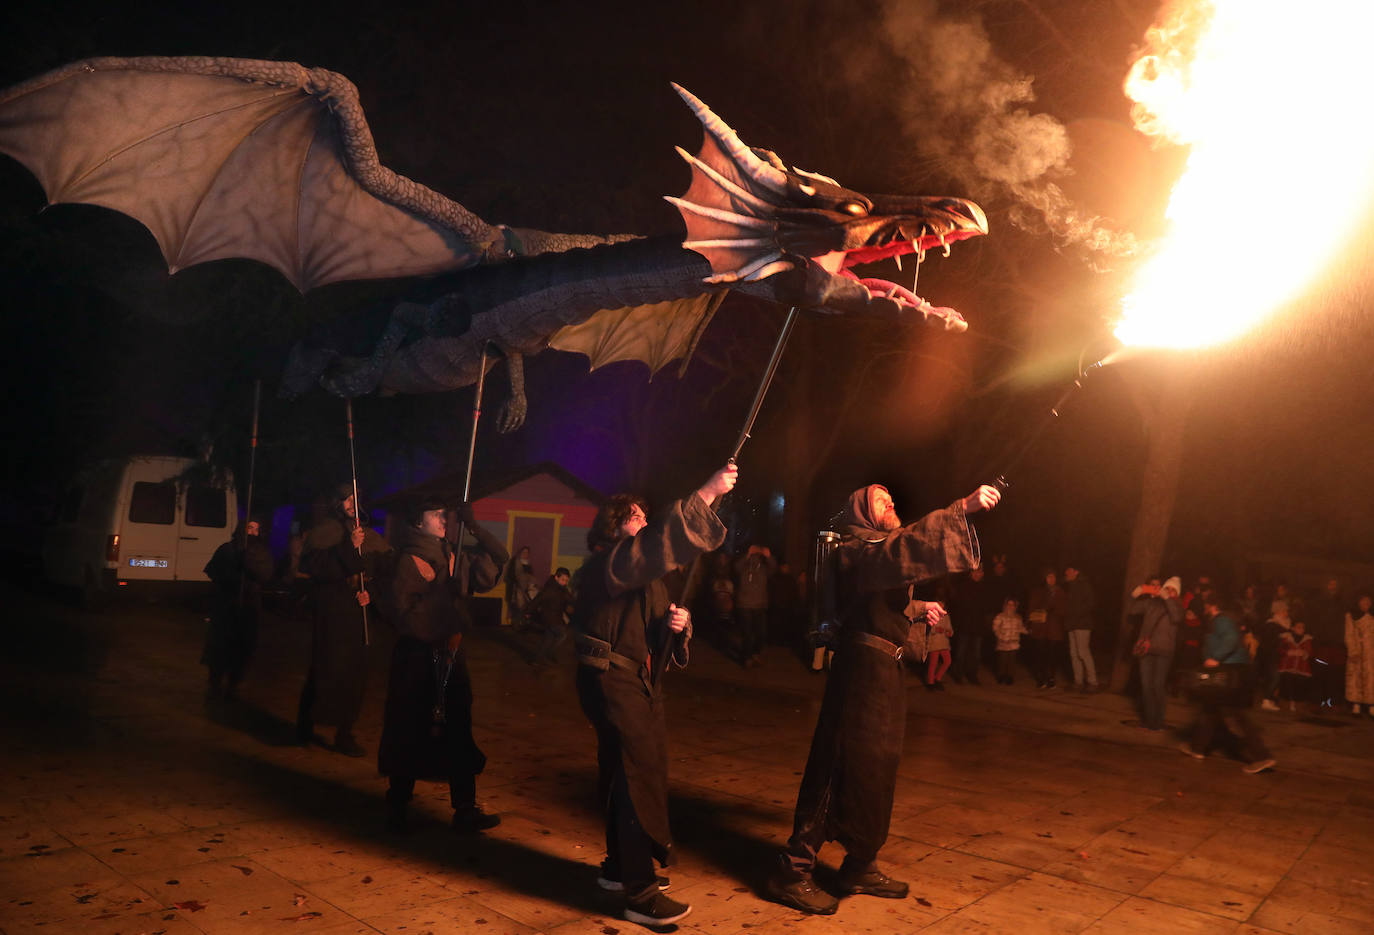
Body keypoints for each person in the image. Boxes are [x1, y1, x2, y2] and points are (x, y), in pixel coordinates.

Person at [766, 481, 1001, 916]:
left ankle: (859, 865)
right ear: (860, 510)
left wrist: (916, 607)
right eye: (879, 498)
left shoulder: (877, 549)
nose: (889, 500)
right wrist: (959, 509)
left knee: (877, 767)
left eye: (891, 496)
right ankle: (792, 869)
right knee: (841, 760)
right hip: (860, 670)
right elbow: (889, 557)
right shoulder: (856, 546)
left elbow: (878, 597)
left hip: (886, 670)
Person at [573, 463, 736, 928]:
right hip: (611, 682)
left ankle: (617, 868)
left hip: (637, 683)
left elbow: (657, 627)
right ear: (614, 523)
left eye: (646, 513)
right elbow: (651, 548)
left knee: (625, 772)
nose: (643, 518)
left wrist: (675, 628)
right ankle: (638, 893)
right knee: (634, 775)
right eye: (635, 514)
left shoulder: (645, 574)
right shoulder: (610, 562)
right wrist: (705, 492)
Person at [379, 498, 508, 833]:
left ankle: (465, 808)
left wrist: (476, 527)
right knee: (409, 728)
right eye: (435, 514)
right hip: (416, 658)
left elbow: (498, 562)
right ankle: (397, 806)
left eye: (445, 514)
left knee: (458, 727)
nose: (444, 519)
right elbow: (403, 616)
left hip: (450, 654)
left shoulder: (453, 554)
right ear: (418, 523)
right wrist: (441, 594)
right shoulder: (409, 559)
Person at [296, 485, 392, 757]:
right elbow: (313, 568)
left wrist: (370, 594)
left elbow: (385, 573)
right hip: (332, 612)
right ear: (337, 502)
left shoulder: (369, 535)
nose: (352, 502)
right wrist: (348, 547)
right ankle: (305, 726)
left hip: (357, 613)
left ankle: (344, 733)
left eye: (355, 498)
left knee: (355, 676)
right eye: (347, 498)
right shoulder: (326, 530)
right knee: (323, 669)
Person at [1179, 594, 1275, 773]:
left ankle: (1262, 756)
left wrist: (1215, 658)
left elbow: (1230, 639)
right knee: (1210, 710)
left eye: (1207, 606)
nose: (1205, 610)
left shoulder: (1221, 621)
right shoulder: (1220, 621)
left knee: (1233, 715)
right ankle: (1197, 748)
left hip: (1230, 672)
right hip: (1231, 671)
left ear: (1213, 606)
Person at [201, 517, 275, 702]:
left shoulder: (261, 552)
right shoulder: (227, 548)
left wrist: (249, 562)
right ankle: (215, 681)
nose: (252, 532)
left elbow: (266, 574)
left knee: (243, 646)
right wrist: (230, 576)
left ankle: (234, 682)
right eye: (249, 527)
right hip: (227, 603)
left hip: (249, 606)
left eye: (256, 529)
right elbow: (212, 570)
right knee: (220, 644)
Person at [1128, 576, 1183, 732]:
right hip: (1147, 649)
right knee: (1146, 686)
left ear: (1177, 593)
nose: (1170, 591)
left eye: (1173, 589)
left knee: (1158, 685)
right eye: (1168, 588)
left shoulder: (1178, 606)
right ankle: (1149, 721)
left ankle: (1158, 722)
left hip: (1164, 652)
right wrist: (1136, 593)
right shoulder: (1152, 603)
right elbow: (1132, 609)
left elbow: (1177, 617)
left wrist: (1167, 599)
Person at [1308, 577, 1348, 710]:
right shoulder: (1318, 602)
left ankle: (1332, 702)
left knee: (1334, 675)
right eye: (1330, 584)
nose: (1332, 587)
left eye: (1335, 584)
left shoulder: (1343, 603)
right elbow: (1314, 620)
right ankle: (1317, 701)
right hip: (1322, 644)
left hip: (1337, 645)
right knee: (1320, 673)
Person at [734, 543, 777, 667]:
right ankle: (746, 657)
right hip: (744, 605)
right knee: (747, 633)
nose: (755, 557)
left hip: (760, 605)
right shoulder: (743, 567)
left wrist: (768, 556)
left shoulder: (764, 569)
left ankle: (755, 654)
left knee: (761, 633)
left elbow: (773, 568)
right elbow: (736, 567)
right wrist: (747, 554)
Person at [1025, 569, 1066, 689]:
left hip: (1055, 629)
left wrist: (1056, 611)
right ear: (1044, 578)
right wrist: (1029, 623)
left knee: (1052, 655)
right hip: (1040, 627)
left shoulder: (1060, 592)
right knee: (1040, 654)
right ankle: (1040, 678)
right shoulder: (1038, 591)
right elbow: (1031, 607)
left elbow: (1064, 609)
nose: (1051, 579)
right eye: (1049, 577)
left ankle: (1051, 677)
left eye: (1053, 577)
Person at [1062, 565, 1098, 693]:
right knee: (1074, 654)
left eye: (1069, 570)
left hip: (1082, 624)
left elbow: (1091, 603)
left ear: (1076, 572)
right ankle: (1078, 682)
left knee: (1083, 652)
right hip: (1071, 624)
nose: (1066, 572)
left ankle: (1093, 682)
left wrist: (1076, 614)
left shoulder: (1084, 584)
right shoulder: (1069, 586)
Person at [530, 567, 574, 666]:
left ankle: (536, 659)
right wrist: (527, 612)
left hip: (556, 617)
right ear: (556, 578)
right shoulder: (549, 589)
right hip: (549, 617)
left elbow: (569, 599)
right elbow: (537, 600)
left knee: (548, 638)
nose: (565, 582)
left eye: (566, 580)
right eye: (563, 580)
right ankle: (549, 653)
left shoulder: (563, 589)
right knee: (562, 634)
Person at [1344, 592, 1374, 717]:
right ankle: (1356, 705)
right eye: (1363, 601)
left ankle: (1371, 705)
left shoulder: (1372, 617)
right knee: (1355, 678)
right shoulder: (1351, 616)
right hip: (1357, 651)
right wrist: (1353, 651)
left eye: (1368, 602)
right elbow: (1349, 634)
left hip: (1371, 653)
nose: (1365, 604)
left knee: (1371, 678)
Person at [1276, 620, 1313, 711]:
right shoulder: (1286, 638)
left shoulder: (1307, 639)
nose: (1301, 629)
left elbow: (1310, 652)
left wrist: (1304, 653)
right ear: (1293, 628)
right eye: (1298, 627)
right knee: (1287, 684)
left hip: (1301, 667)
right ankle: (1286, 704)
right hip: (1287, 666)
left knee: (1299, 686)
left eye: (1303, 627)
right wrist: (1289, 652)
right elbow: (1280, 649)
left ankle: (1297, 704)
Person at [992, 597, 1027, 684]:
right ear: (1005, 605)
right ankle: (1001, 676)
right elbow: (995, 628)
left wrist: (1028, 631)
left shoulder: (1018, 617)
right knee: (1002, 661)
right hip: (1003, 643)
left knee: (1011, 662)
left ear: (1015, 606)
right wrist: (1001, 636)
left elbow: (1020, 628)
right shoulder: (1000, 616)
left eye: (1012, 605)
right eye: (1009, 604)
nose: (1010, 606)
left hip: (1014, 643)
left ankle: (1009, 677)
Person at [506, 546, 537, 626]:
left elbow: (531, 577)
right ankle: (516, 624)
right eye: (523, 552)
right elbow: (510, 575)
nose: (525, 554)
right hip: (515, 589)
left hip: (526, 589)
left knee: (525, 606)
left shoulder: (528, 565)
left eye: (527, 553)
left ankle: (523, 624)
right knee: (517, 607)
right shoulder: (515, 562)